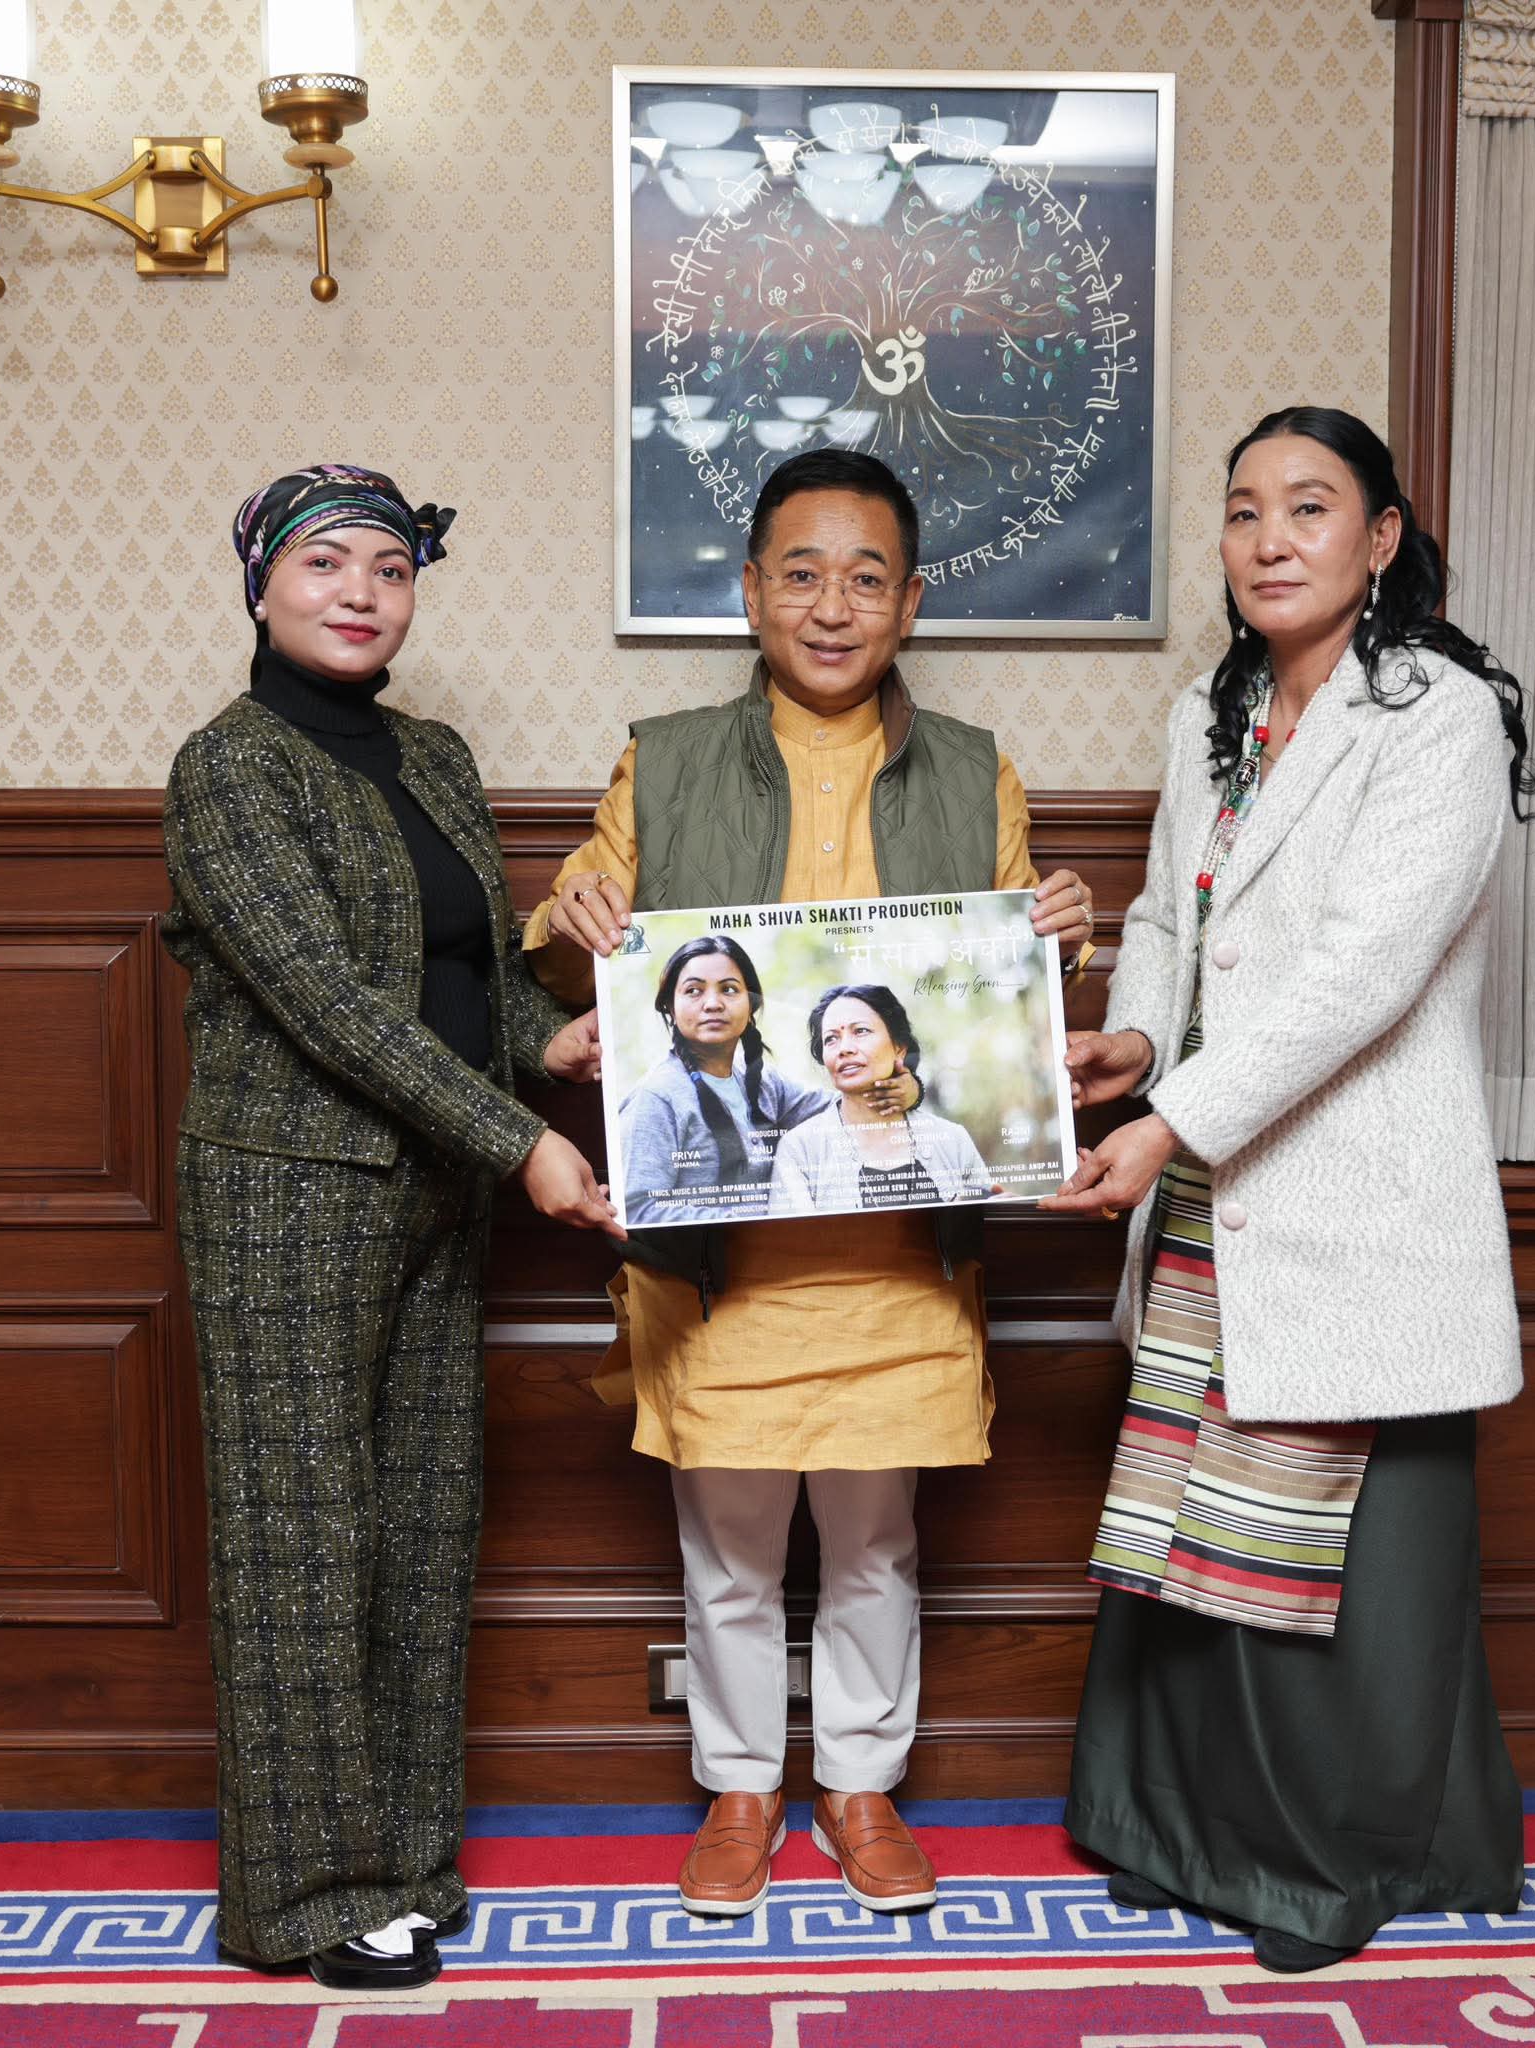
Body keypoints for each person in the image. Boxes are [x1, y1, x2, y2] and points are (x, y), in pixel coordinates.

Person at [524, 449, 1093, 1918]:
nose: (831, 607)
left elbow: (1008, 975)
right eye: (801, 574)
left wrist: (1057, 930)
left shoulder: (974, 768)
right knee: (725, 1546)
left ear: (910, 602)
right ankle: (739, 1788)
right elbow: (568, 954)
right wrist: (576, 916)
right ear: (750, 592)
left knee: (875, 1539)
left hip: (897, 1240)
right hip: (723, 1255)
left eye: (864, 578)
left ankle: (858, 1784)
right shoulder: (663, 760)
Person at [1042, 406, 1535, 1974]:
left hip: (1351, 1196)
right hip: (1209, 1183)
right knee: (1196, 1536)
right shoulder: (1216, 706)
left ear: (1380, 538)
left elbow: (1361, 975)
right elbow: (1170, 922)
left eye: (1310, 508)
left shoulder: (1440, 716)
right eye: (1245, 509)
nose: (1269, 539)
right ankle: (1179, 1835)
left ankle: (1332, 1867)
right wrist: (1135, 1041)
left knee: (1327, 1560)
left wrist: (1170, 1120)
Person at [162, 464, 622, 1991]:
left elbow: (471, 968)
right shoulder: (228, 768)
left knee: (424, 1527)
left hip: (435, 1189)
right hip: (289, 1195)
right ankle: (308, 1896)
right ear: (261, 585)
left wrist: (552, 1047)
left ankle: (407, 1862)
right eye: (324, 562)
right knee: (302, 1540)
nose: (360, 591)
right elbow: (333, 1008)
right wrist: (525, 1145)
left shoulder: (434, 755)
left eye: (389, 566)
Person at [620, 935, 917, 1223]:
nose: (712, 1003)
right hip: (708, 1255)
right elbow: (637, 1211)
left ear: (751, 1005)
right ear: (670, 1007)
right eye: (694, 991)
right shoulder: (657, 1097)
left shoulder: (764, 1086)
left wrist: (910, 1090)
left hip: (776, 1247)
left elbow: (843, 1108)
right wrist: (752, 1224)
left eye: (729, 989)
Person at [769, 984, 994, 1215]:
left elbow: (990, 1226)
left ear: (899, 1048)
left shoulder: (952, 1139)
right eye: (831, 1039)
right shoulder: (799, 1150)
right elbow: (791, 1237)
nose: (844, 1048)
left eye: (861, 1031)